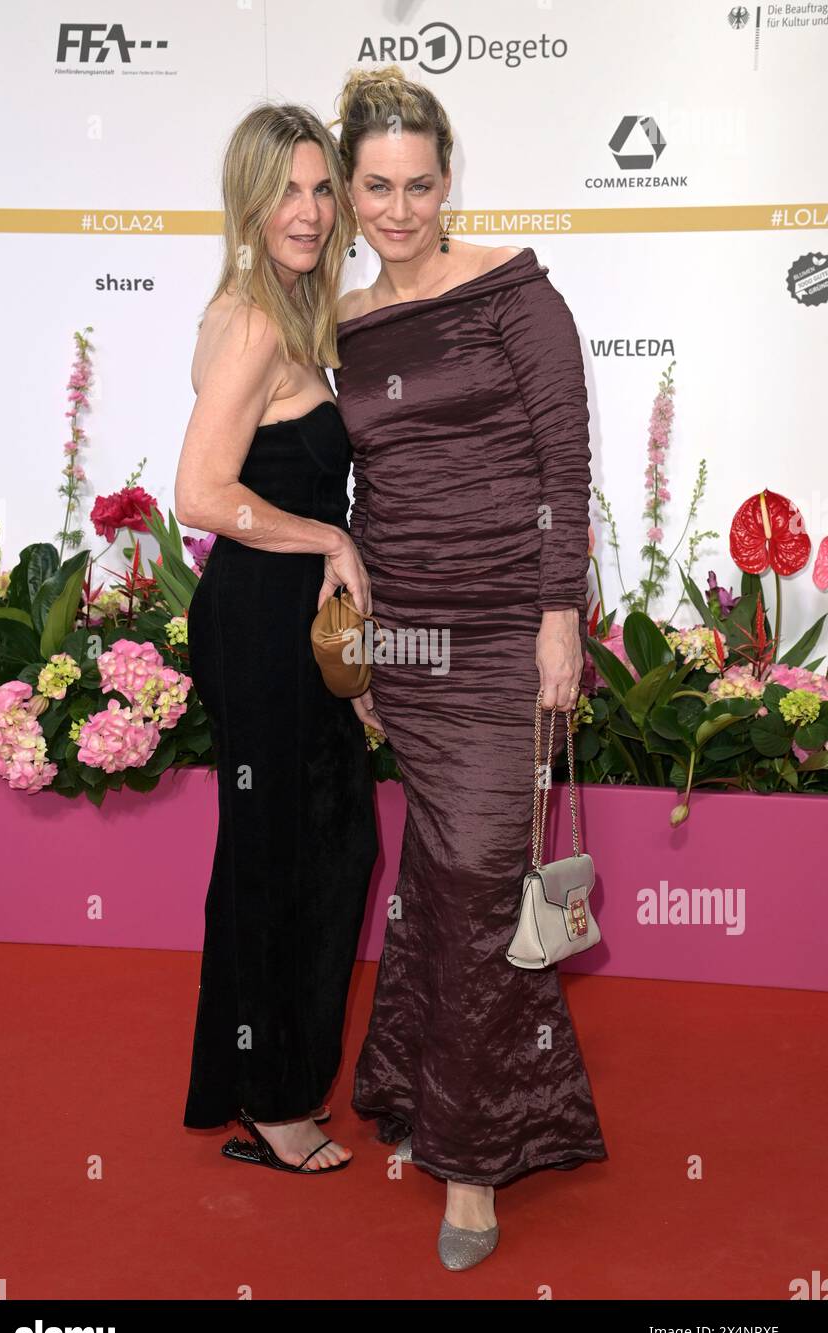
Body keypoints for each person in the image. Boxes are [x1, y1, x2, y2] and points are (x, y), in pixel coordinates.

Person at [330, 67, 608, 1265]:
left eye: (420, 185)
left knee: (485, 873)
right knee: (440, 876)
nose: (399, 209)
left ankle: (474, 1158)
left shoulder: (514, 292)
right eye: (377, 186)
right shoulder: (334, 322)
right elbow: (350, 479)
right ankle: (415, 1079)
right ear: (346, 188)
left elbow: (565, 458)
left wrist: (559, 617)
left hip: (505, 625)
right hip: (406, 634)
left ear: (451, 182)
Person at [176, 103, 379, 1174]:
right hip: (261, 620)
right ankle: (277, 1102)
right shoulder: (256, 322)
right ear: (249, 203)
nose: (308, 211)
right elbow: (199, 493)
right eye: (286, 191)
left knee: (305, 846)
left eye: (320, 188)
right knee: (298, 853)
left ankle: (255, 1079)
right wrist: (328, 535)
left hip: (267, 620)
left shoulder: (271, 308)